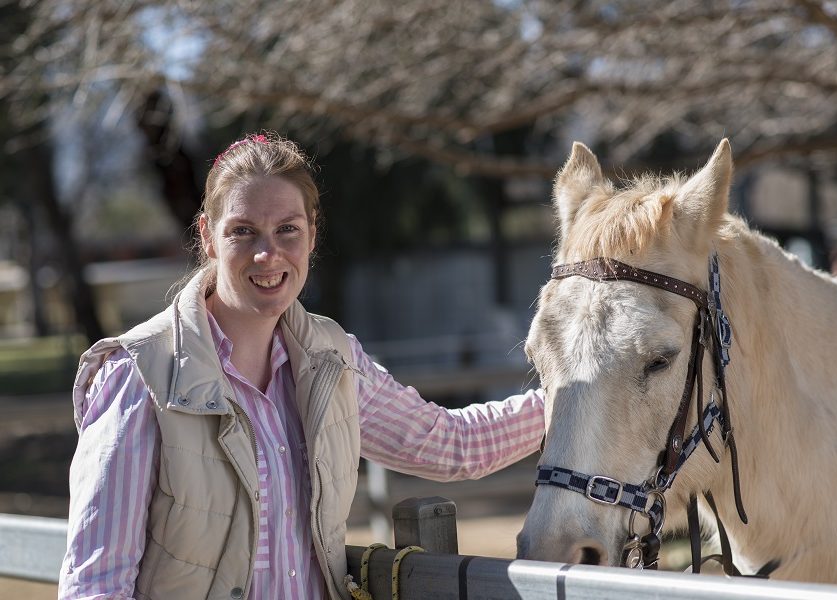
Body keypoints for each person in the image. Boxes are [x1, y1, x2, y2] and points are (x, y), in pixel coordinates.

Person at [59, 132, 544, 600]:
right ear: (208, 236)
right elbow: (96, 585)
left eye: (287, 229)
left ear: (313, 233)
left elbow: (452, 445)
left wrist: (576, 398)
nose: (268, 254)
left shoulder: (332, 359)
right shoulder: (139, 373)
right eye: (242, 231)